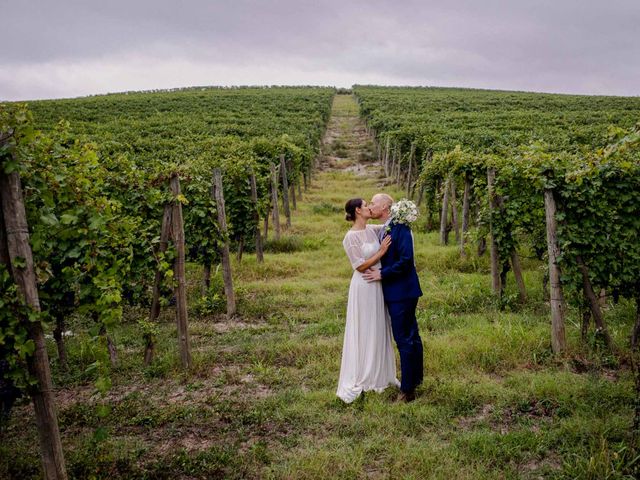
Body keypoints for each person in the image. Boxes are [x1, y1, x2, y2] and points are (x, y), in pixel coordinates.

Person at [336, 198, 400, 403]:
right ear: (357, 210)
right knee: (365, 327)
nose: (369, 208)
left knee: (378, 326)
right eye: (366, 205)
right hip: (363, 285)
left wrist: (394, 207)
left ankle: (381, 374)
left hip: (378, 284)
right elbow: (359, 266)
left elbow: (390, 222)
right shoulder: (350, 237)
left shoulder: (372, 229)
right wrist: (380, 252)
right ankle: (365, 375)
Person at [364, 193, 423, 402]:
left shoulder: (400, 228)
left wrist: (383, 273)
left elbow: (407, 260)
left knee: (404, 339)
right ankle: (416, 380)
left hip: (402, 292)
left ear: (385, 207)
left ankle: (407, 391)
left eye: (373, 203)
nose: (370, 205)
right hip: (398, 292)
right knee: (411, 336)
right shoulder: (387, 226)